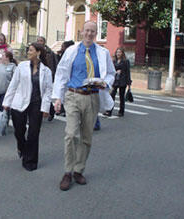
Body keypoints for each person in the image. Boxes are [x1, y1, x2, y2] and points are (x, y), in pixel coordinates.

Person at [52, 21, 115, 191]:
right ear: (81, 32)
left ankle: (78, 170)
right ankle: (67, 171)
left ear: (96, 34)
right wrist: (57, 97)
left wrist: (105, 83)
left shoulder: (103, 53)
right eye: (86, 30)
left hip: (93, 97)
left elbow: (110, 73)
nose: (89, 34)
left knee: (86, 137)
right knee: (71, 134)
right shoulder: (72, 51)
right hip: (73, 95)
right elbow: (61, 73)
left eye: (92, 31)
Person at [2, 42, 53, 171]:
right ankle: (21, 145)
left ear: (38, 52)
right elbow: (13, 84)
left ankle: (30, 161)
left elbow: (48, 91)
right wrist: (6, 103)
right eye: (28, 50)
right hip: (19, 103)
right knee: (19, 131)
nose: (28, 53)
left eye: (31, 50)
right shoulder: (22, 67)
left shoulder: (46, 71)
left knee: (33, 134)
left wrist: (46, 108)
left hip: (36, 104)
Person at [103, 48, 131, 117]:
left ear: (122, 53)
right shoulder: (114, 61)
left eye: (120, 52)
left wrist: (129, 83)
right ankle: (109, 111)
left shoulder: (125, 61)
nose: (118, 54)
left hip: (122, 80)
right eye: (117, 52)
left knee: (121, 97)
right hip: (115, 80)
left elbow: (128, 72)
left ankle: (121, 111)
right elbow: (111, 70)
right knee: (112, 96)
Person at [37, 36, 58, 122]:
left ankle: (51, 111)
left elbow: (56, 64)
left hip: (47, 76)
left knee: (45, 95)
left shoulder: (50, 53)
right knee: (37, 95)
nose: (39, 42)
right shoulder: (35, 52)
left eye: (41, 41)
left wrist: (54, 76)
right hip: (37, 76)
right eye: (38, 41)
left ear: (44, 42)